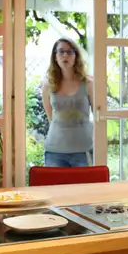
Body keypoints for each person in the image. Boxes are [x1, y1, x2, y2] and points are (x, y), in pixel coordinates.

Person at [41, 38, 94, 167]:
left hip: (83, 150)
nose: (65, 55)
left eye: (69, 52)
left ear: (76, 56)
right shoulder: (48, 84)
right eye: (61, 51)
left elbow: (98, 115)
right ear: (55, 57)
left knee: (85, 181)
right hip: (54, 151)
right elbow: (51, 117)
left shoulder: (88, 83)